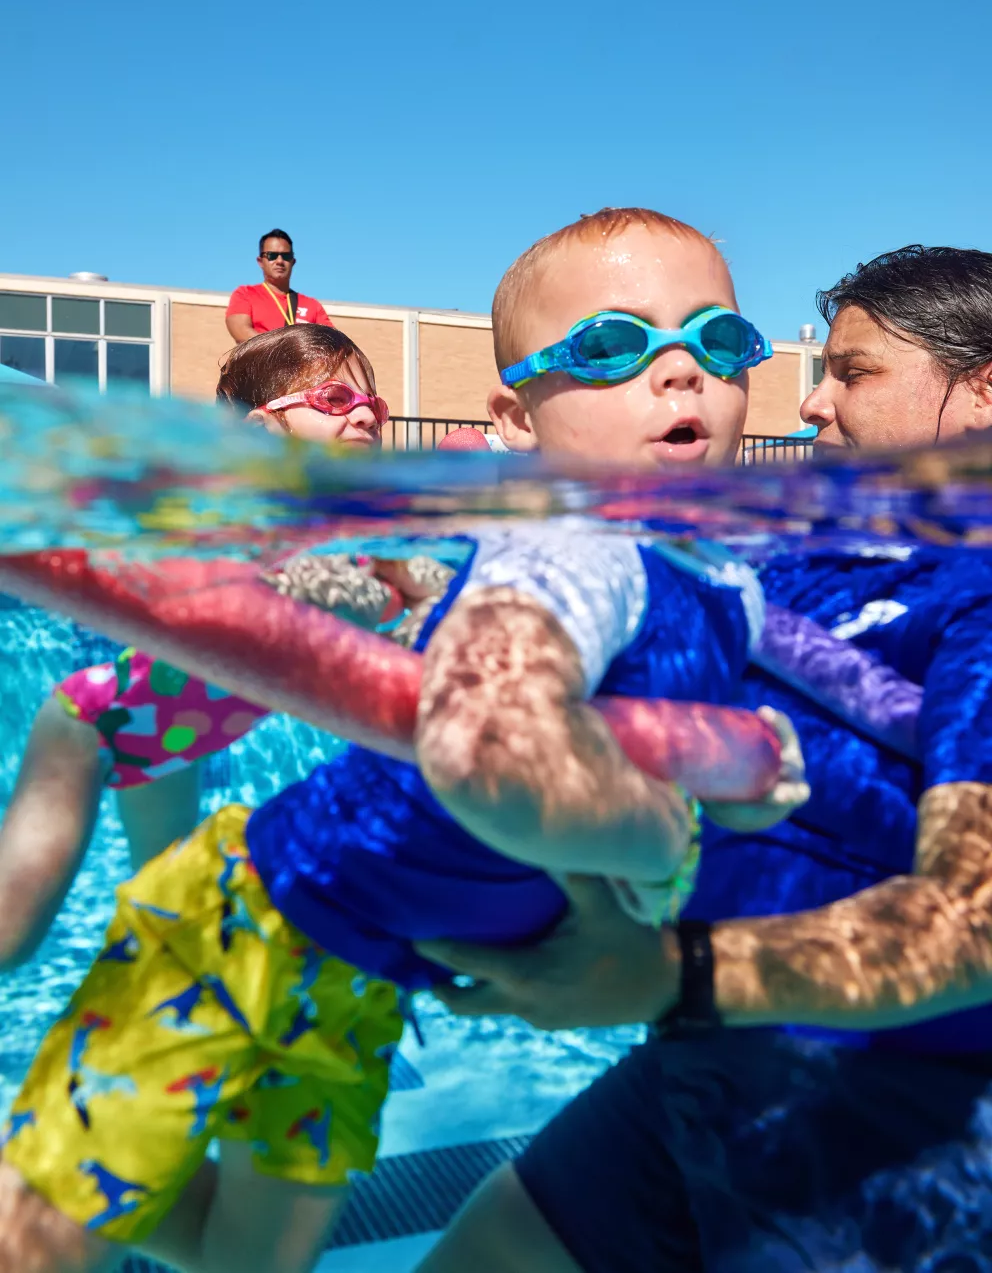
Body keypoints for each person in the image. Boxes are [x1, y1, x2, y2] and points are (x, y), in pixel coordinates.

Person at [0, 213, 807, 1273]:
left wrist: (731, 784)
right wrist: (663, 840)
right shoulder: (566, 550)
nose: (679, 373)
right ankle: (54, 1156)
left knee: (245, 1259)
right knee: (44, 1243)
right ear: (513, 418)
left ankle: (57, 1150)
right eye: (615, 345)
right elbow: (501, 758)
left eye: (720, 342)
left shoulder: (725, 582)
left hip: (366, 970)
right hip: (245, 912)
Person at [415, 242, 992, 1273]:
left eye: (852, 373)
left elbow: (974, 915)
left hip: (898, 1120)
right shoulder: (803, 552)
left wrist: (669, 973)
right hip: (708, 1060)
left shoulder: (976, 590)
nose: (810, 403)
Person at [0, 323, 389, 973]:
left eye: (372, 406)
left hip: (183, 726)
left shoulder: (362, 516)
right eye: (334, 401)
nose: (364, 418)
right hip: (108, 716)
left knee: (167, 900)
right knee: (14, 927)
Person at [225, 230, 334, 344]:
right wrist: (283, 349)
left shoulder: (312, 305)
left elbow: (333, 342)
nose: (280, 261)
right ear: (260, 261)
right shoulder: (245, 294)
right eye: (272, 255)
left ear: (293, 261)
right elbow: (241, 332)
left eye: (286, 256)